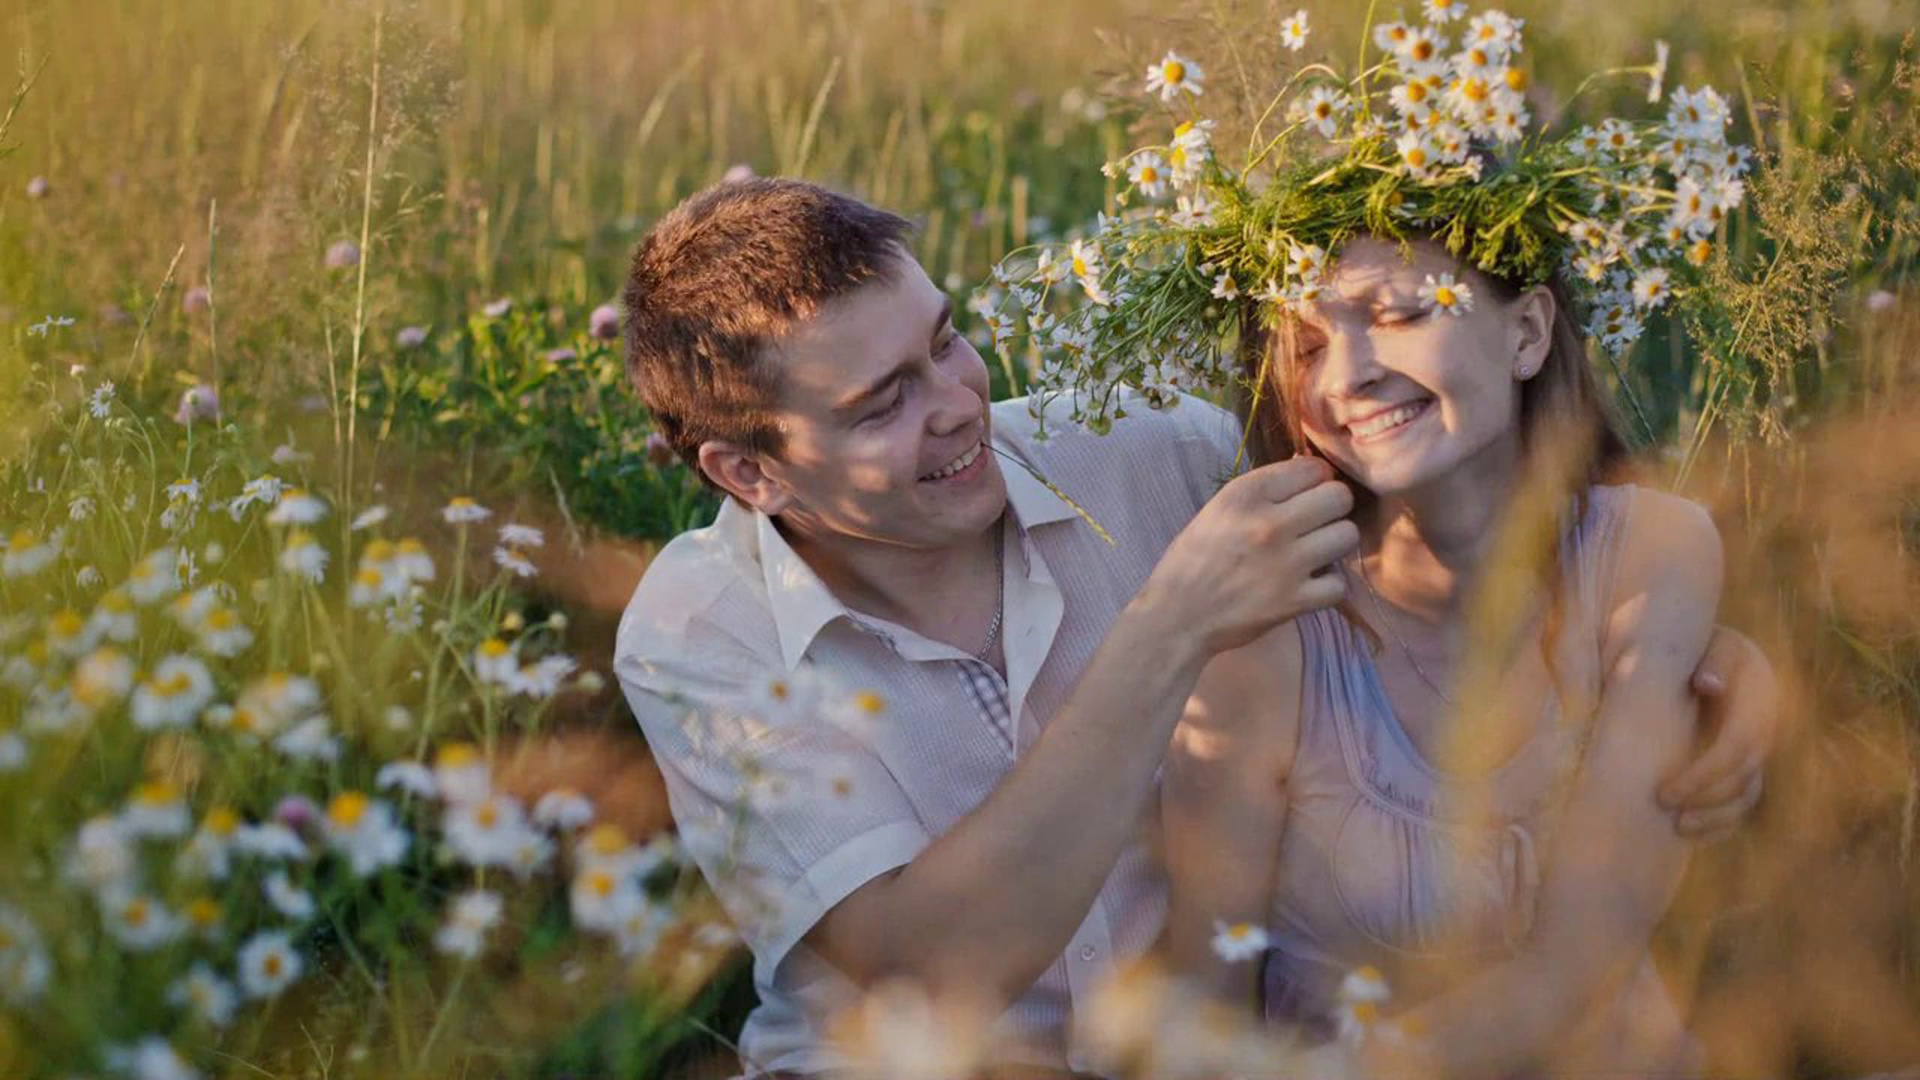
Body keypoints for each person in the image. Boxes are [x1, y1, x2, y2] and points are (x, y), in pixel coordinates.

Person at [612, 177, 1773, 1077]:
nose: (960, 402)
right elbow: (934, 971)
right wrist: (1169, 625)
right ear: (746, 472)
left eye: (944, 341)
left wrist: (1704, 663)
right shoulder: (701, 632)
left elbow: (1425, 550)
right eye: (885, 404)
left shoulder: (1146, 452)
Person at [1162, 237, 1720, 1075]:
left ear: (1528, 333)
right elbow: (1203, 1010)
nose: (1348, 376)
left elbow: (1577, 961)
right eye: (1307, 347)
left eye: (1400, 314)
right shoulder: (1267, 643)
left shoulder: (1651, 551)